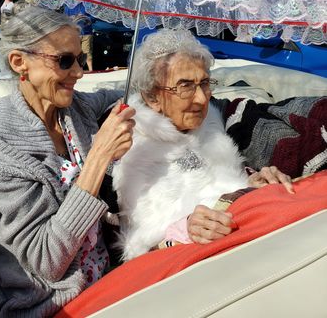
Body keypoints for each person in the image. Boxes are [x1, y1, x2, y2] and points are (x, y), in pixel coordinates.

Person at [0, 4, 135, 317]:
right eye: (65, 61)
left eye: (80, 59)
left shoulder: (74, 109)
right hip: (48, 302)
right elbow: (46, 262)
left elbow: (120, 95)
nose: (79, 73)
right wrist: (99, 158)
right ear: (20, 63)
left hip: (107, 277)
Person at [112, 29, 293, 261]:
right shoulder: (131, 148)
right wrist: (184, 229)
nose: (201, 98)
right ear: (152, 97)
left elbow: (220, 187)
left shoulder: (211, 125)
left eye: (205, 83)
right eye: (185, 86)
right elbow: (142, 246)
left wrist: (250, 183)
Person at [64, 3, 94, 71]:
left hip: (86, 33)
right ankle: (77, 69)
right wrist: (73, 18)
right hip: (74, 33)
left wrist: (85, 18)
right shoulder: (68, 6)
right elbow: (65, 19)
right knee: (75, 52)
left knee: (87, 52)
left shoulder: (87, 4)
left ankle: (91, 70)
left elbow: (92, 18)